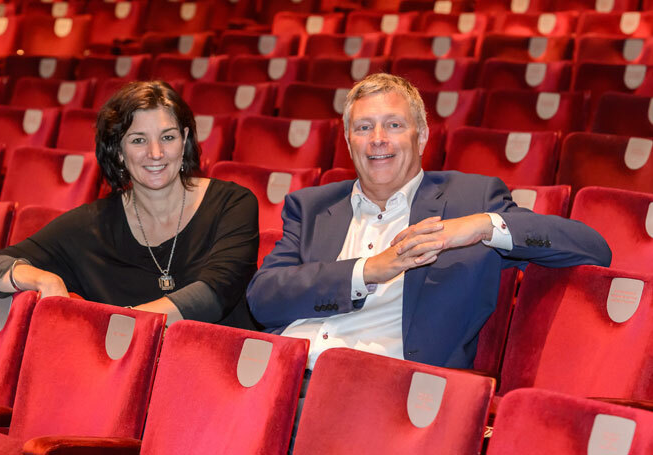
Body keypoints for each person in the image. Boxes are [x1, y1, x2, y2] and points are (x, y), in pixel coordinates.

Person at [246, 73, 612, 369]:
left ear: (421, 137)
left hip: (384, 387)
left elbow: (593, 248)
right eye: (363, 128)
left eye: (393, 125)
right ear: (347, 140)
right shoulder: (312, 205)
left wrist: (482, 225)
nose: (377, 140)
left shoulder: (470, 198)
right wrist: (367, 271)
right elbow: (263, 300)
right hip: (286, 373)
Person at [0, 81, 259, 329]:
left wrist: (118, 323)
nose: (156, 153)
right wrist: (43, 280)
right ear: (119, 151)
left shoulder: (233, 204)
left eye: (168, 137)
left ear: (184, 140)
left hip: (219, 371)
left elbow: (215, 293)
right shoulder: (91, 225)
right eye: (138, 140)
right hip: (125, 379)